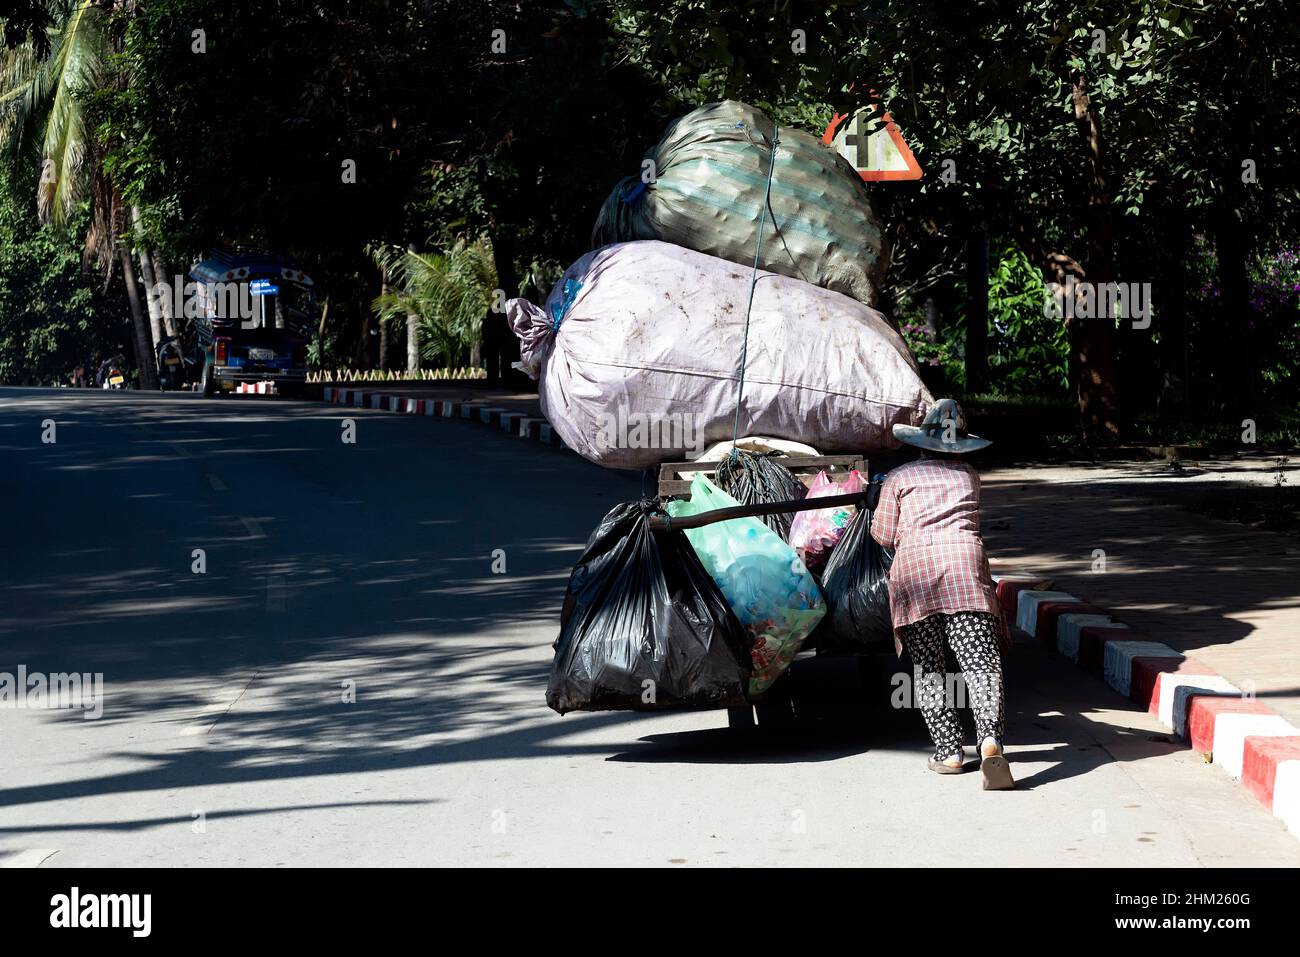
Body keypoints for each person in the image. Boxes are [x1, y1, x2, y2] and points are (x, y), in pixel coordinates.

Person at [870, 398, 1014, 790]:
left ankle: (949, 751)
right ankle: (989, 740)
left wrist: (877, 503)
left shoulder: (899, 479)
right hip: (965, 572)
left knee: (930, 670)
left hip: (915, 575)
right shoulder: (968, 476)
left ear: (921, 441)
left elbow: (882, 535)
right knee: (981, 664)